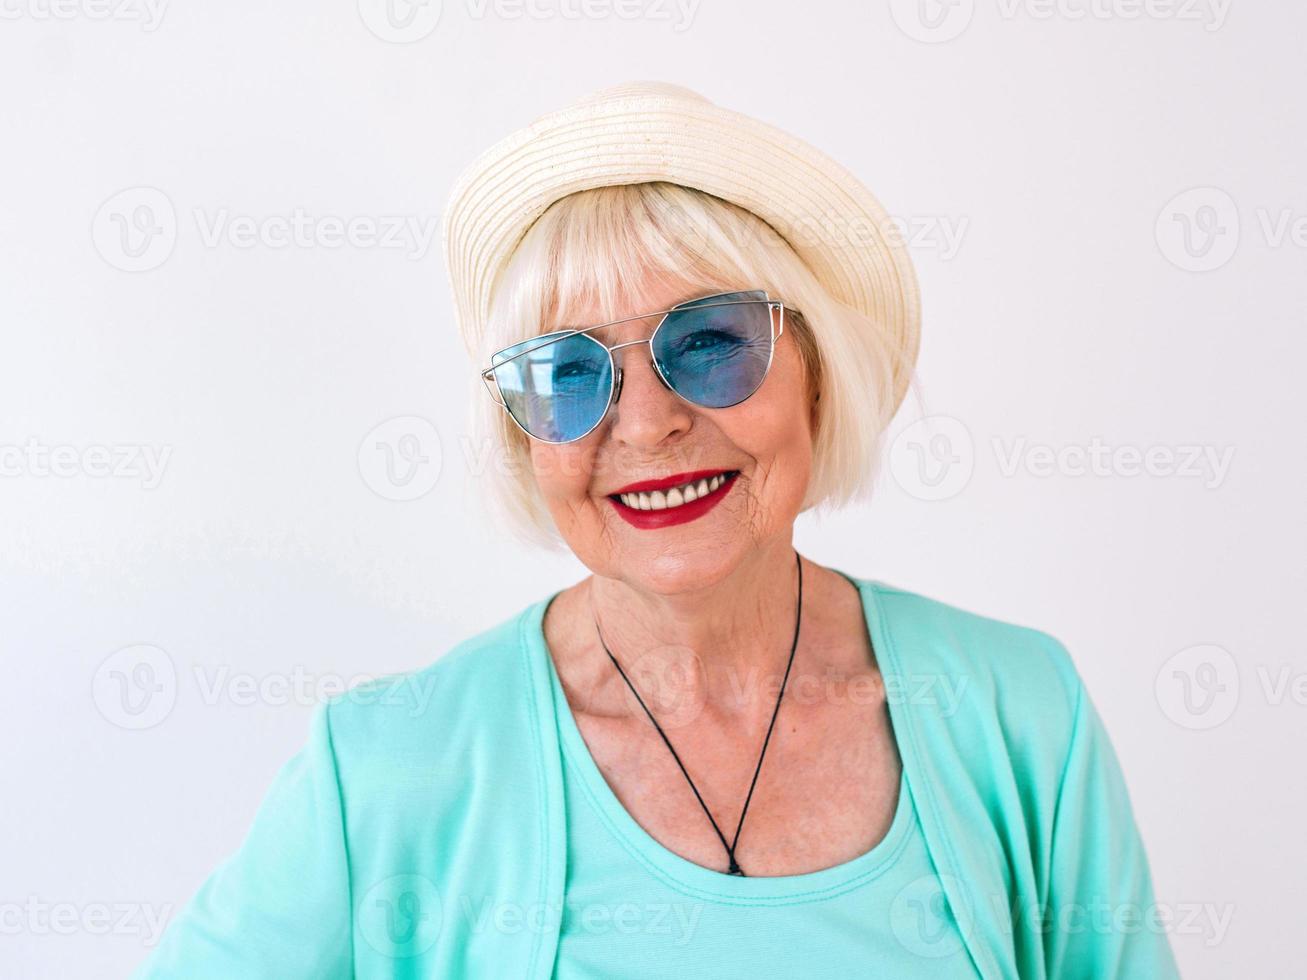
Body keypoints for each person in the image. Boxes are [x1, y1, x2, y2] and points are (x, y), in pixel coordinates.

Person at [135, 80, 1179, 979]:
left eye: (712, 342)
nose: (646, 423)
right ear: (521, 432)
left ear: (816, 375)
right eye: (571, 372)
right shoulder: (386, 769)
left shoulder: (1019, 714)